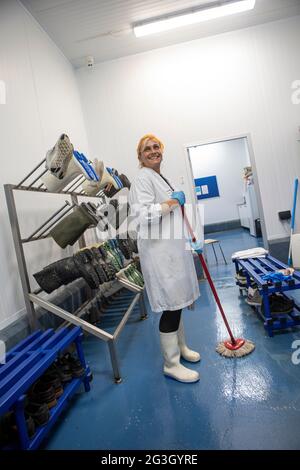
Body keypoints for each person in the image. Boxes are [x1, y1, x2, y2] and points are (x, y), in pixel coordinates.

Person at [129, 134, 203, 383]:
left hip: (172, 250)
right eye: (146, 149)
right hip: (159, 254)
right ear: (140, 156)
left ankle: (181, 349)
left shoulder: (158, 176)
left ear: (162, 150)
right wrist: (172, 201)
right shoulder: (142, 179)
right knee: (170, 306)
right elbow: (145, 214)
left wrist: (191, 239)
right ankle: (171, 364)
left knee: (177, 303)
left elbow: (170, 215)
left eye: (156, 146)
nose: (153, 151)